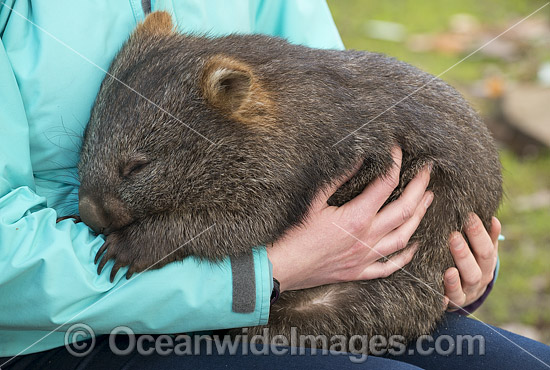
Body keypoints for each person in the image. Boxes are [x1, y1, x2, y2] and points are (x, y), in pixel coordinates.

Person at [0, 0, 548, 369]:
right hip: (72, 325)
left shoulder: (267, 113)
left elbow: (317, 142)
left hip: (336, 286)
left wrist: (459, 266)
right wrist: (267, 273)